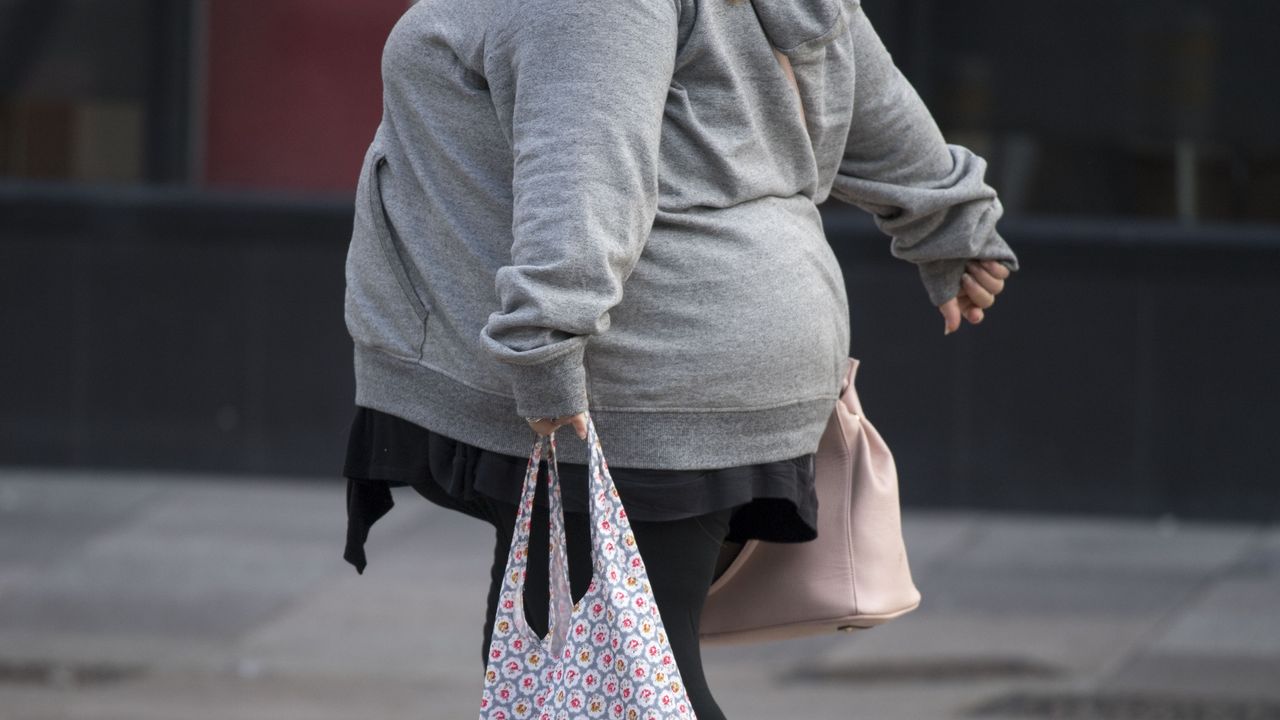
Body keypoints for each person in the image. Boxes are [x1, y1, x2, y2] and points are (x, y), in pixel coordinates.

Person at [341, 0, 1019, 717]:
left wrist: (544, 343)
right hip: (699, 349)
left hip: (636, 373)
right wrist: (951, 221)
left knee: (603, 691)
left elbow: (587, 164)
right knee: (569, 678)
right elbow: (855, 75)